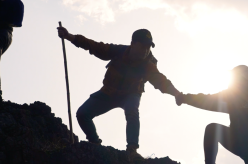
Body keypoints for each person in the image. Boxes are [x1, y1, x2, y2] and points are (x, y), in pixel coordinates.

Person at [57, 26, 180, 155]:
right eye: (143, 46)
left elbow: (161, 81)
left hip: (131, 94)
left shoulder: (148, 64)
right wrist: (69, 36)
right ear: (133, 44)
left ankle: (132, 149)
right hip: (109, 92)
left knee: (132, 111)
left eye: (148, 47)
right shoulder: (118, 51)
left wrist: (177, 94)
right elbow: (94, 46)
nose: (146, 50)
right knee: (82, 114)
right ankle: (95, 144)